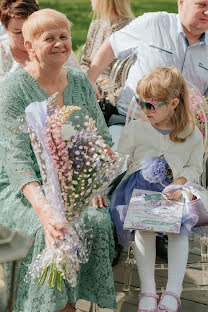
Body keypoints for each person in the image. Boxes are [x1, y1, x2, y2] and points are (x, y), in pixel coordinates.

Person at [0, 8, 117, 312]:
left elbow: (100, 138)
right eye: (48, 38)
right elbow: (17, 162)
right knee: (49, 231)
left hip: (76, 184)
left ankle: (72, 303)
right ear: (29, 46)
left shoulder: (78, 81)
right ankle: (49, 306)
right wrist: (45, 210)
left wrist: (94, 185)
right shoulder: (12, 90)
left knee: (98, 222)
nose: (59, 43)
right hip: (24, 188)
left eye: (64, 36)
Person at [110, 66, 204, 312]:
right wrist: (100, 186)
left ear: (173, 103)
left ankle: (174, 291)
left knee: (178, 231)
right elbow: (119, 161)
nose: (144, 110)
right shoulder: (136, 129)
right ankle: (148, 291)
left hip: (176, 191)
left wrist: (181, 182)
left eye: (151, 105)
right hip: (140, 190)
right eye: (140, 103)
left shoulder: (191, 134)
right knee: (145, 231)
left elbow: (195, 166)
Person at [87, 0, 208, 145]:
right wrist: (90, 79)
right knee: (115, 161)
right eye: (202, 5)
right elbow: (113, 45)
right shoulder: (154, 23)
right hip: (129, 123)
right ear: (181, 3)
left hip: (179, 136)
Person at [0, 0, 80, 83]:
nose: (25, 37)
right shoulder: (2, 50)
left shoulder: (58, 49)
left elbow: (78, 82)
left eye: (32, 31)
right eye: (18, 32)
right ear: (5, 29)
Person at [80, 0, 133, 102]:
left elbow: (124, 78)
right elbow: (84, 62)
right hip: (89, 88)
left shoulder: (130, 29)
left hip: (114, 98)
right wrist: (87, 82)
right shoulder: (96, 25)